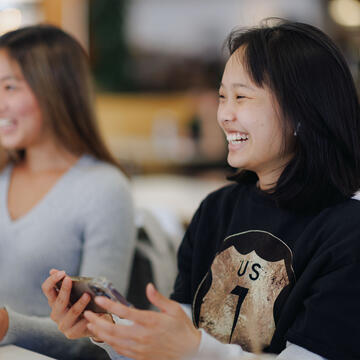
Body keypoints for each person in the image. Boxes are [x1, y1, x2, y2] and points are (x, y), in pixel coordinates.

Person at [42, 19, 360, 360]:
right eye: (223, 96)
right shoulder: (217, 209)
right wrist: (108, 329)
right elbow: (175, 343)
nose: (224, 114)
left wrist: (196, 351)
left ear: (302, 112)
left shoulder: (347, 231)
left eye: (241, 96)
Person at [0, 24, 135, 359]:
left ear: (53, 88)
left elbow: (104, 334)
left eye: (9, 87)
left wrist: (8, 326)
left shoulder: (104, 189)